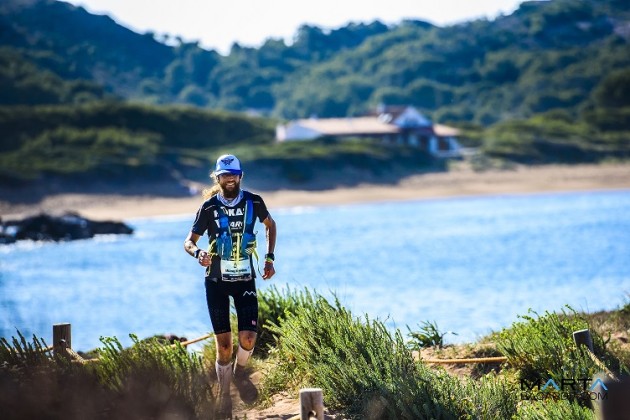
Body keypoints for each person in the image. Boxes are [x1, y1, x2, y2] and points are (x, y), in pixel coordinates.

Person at [183, 154, 276, 418]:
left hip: (245, 279)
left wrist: (269, 257)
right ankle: (224, 395)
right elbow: (188, 241)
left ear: (240, 175)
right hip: (216, 283)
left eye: (234, 174)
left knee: (248, 338)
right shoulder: (209, 207)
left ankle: (239, 372)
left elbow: (270, 225)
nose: (230, 178)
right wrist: (198, 253)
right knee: (224, 347)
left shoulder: (254, 202)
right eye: (225, 175)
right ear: (218, 178)